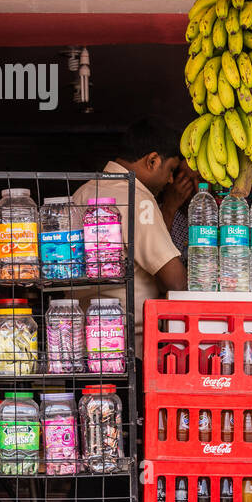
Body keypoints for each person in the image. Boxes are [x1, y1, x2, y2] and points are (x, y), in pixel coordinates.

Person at [72, 117, 188, 357]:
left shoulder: (80, 195)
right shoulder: (137, 198)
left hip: (82, 345)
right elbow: (176, 281)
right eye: (171, 170)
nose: (169, 180)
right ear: (153, 160)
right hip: (126, 348)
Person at [161, 161, 199, 264]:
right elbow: (158, 254)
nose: (197, 187)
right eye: (187, 181)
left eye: (201, 179)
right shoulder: (164, 212)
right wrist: (169, 207)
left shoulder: (221, 208)